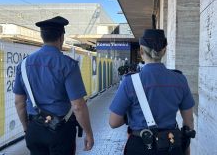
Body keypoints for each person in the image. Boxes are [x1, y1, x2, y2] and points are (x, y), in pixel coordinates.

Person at [13, 16, 94, 155]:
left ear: (42, 36)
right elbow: (78, 106)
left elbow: (19, 103)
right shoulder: (68, 65)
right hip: (61, 130)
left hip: (34, 129)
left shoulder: (24, 65)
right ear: (61, 37)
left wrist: (27, 129)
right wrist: (88, 133)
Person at [109, 29, 195, 155]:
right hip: (171, 145)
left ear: (141, 51)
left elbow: (113, 122)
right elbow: (189, 122)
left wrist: (130, 116)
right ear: (164, 50)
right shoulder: (179, 79)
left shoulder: (130, 82)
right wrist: (185, 149)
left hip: (139, 146)